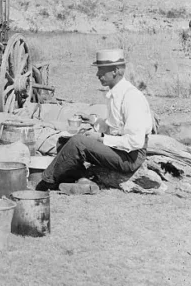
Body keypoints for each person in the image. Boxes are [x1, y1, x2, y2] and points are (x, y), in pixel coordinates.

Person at [37, 49, 153, 194]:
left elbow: (135, 141)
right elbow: (114, 128)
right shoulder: (115, 94)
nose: (97, 75)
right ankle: (82, 181)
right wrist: (93, 120)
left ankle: (44, 183)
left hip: (130, 157)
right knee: (64, 141)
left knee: (78, 142)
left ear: (115, 71)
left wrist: (101, 139)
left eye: (101, 70)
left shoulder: (131, 97)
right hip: (121, 150)